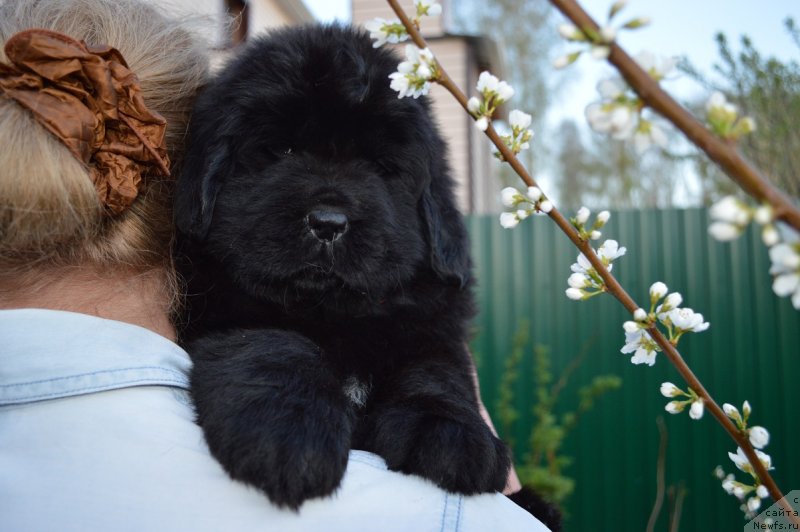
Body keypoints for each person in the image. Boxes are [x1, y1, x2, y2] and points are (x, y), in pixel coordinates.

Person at [0, 0, 550, 530]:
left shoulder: (417, 311)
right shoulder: (196, 293)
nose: (331, 207)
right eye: (278, 152)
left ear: (434, 214)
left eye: (381, 166)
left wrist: (435, 390)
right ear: (194, 183)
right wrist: (269, 363)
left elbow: (438, 308)